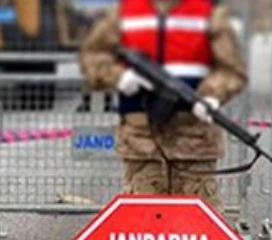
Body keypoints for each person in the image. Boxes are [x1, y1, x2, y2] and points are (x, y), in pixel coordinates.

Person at [78, 0, 247, 210]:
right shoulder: (124, 13)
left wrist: (212, 95)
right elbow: (92, 55)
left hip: (194, 141)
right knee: (142, 225)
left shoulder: (209, 15)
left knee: (197, 227)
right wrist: (119, 77)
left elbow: (232, 70)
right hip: (141, 141)